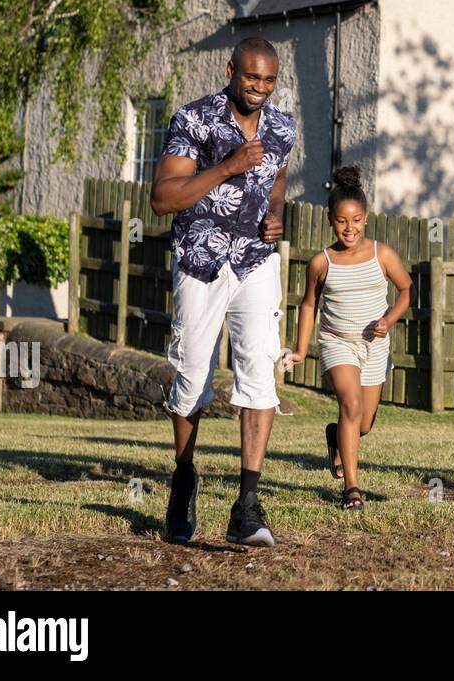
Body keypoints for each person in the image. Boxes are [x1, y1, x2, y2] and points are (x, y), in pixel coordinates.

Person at [151, 37, 296, 546]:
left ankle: (247, 506)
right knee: (192, 377)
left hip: (255, 262)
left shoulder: (283, 126)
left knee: (259, 369)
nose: (259, 88)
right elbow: (162, 198)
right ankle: (185, 474)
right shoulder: (193, 120)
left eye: (269, 80)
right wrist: (228, 167)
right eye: (251, 78)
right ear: (231, 70)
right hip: (201, 260)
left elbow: (278, 172)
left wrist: (275, 210)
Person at [286, 165, 412, 509]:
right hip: (337, 342)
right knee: (351, 405)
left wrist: (389, 319)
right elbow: (309, 305)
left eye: (355, 220)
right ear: (331, 220)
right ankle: (351, 489)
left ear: (366, 218)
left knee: (364, 424)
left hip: (375, 345)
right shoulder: (321, 262)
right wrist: (300, 350)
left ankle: (337, 438)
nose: (349, 228)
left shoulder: (381, 255)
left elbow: (406, 291)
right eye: (342, 221)